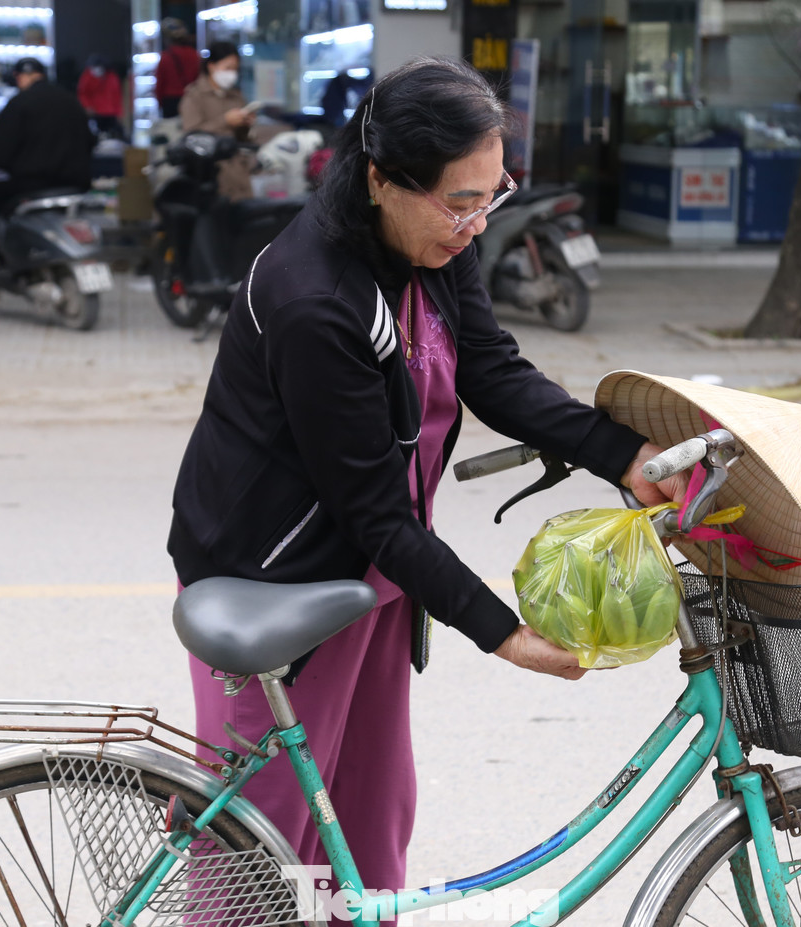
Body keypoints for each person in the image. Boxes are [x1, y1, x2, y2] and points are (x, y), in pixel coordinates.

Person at [168, 57, 684, 900]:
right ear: (380, 180)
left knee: (368, 821)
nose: (477, 221)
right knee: (264, 852)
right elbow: (377, 512)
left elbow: (492, 370)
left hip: (374, 576)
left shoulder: (435, 242)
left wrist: (621, 453)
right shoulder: (316, 300)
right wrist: (505, 633)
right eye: (459, 199)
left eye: (493, 194)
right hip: (278, 579)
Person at [0, 57, 94, 269]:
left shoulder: (20, 103)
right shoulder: (71, 101)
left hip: (33, 185)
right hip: (76, 183)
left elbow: (0, 153)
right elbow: (90, 141)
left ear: (20, 77)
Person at [179, 41, 256, 201]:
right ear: (212, 66)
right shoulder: (194, 96)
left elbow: (243, 139)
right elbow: (192, 136)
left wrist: (245, 124)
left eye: (235, 69)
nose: (232, 74)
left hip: (238, 174)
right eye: (227, 68)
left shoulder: (237, 96)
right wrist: (225, 121)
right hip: (208, 178)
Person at [153, 17, 200, 120]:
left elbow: (160, 83)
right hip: (190, 98)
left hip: (170, 101)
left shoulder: (165, 57)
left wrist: (160, 103)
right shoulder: (194, 55)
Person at [77, 53, 123, 138]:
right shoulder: (87, 76)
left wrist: (119, 112)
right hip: (95, 112)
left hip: (110, 113)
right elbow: (83, 93)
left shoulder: (112, 77)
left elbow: (116, 96)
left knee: (113, 135)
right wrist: (87, 106)